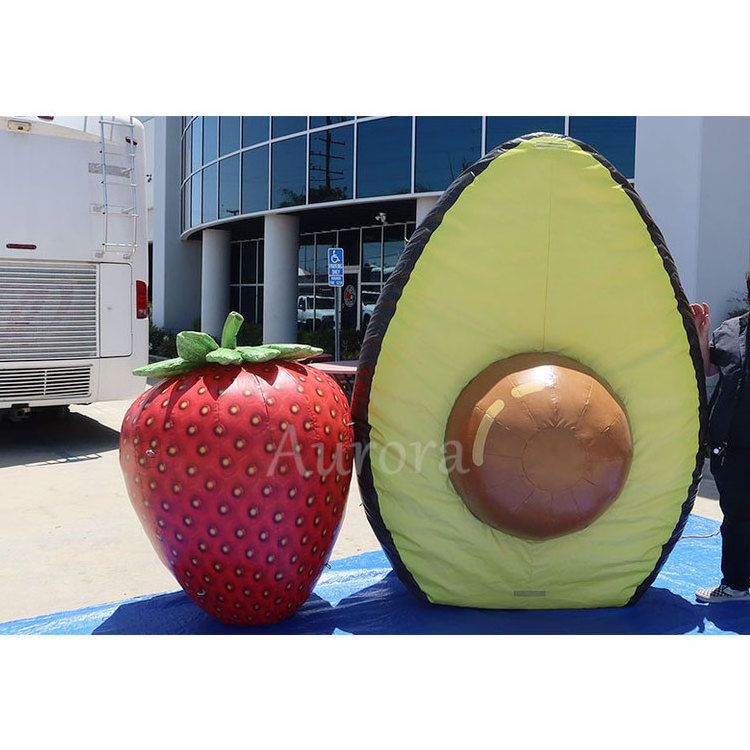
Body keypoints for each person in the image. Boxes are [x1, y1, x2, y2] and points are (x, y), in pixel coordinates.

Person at [691, 277, 750, 603]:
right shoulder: (729, 330)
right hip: (732, 446)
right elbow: (708, 368)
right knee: (737, 518)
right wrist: (702, 335)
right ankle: (737, 586)